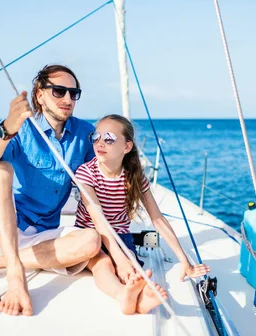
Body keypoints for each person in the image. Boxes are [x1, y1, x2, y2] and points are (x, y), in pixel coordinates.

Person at [0, 65, 101, 316]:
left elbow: (96, 179)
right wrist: (7, 126)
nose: (68, 99)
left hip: (41, 234)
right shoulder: (21, 127)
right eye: (59, 91)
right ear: (39, 95)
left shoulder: (84, 133)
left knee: (92, 241)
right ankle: (15, 274)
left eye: (74, 93)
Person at [74, 114, 210, 314]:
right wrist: (119, 260)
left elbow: (158, 219)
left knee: (132, 267)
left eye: (109, 138)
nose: (100, 143)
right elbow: (99, 221)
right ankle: (124, 296)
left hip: (119, 235)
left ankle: (142, 296)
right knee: (102, 263)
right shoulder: (86, 173)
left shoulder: (135, 178)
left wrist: (184, 260)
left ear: (126, 147)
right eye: (96, 137)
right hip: (91, 234)